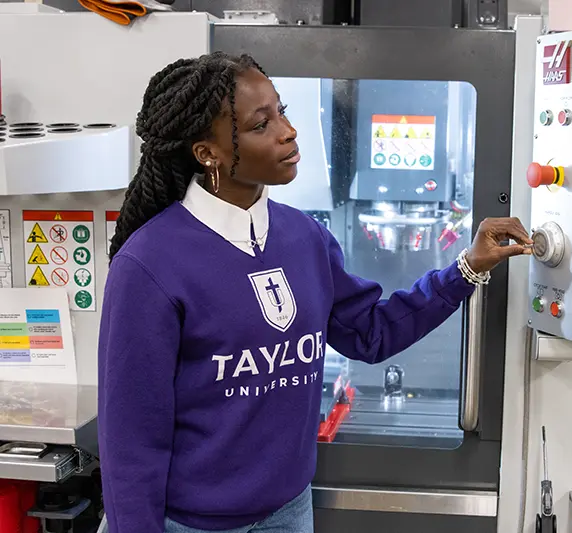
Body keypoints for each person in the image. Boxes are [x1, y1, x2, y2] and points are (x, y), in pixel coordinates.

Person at [98, 51, 532, 533]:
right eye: (262, 124)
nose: (288, 131)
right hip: (190, 524)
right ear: (208, 152)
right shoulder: (150, 263)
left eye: (282, 111)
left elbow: (371, 333)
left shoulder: (304, 238)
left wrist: (466, 268)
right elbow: (131, 443)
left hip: (289, 512)